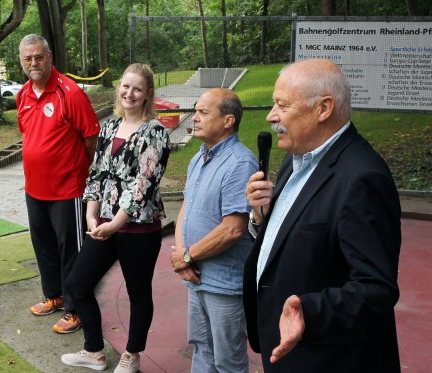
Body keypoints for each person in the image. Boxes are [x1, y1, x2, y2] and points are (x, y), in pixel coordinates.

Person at [243, 59, 402, 372]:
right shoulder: (296, 158)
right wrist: (260, 219)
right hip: (287, 350)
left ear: (323, 109)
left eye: (281, 105)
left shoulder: (362, 178)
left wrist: (309, 313)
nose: (271, 116)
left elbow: (377, 289)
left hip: (327, 359)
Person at [60, 63, 170, 373]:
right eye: (125, 86)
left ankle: (132, 355)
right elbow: (96, 172)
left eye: (137, 88)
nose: (129, 93)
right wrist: (91, 214)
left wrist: (115, 224)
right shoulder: (108, 126)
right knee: (77, 284)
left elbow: (143, 185)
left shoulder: (155, 132)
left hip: (138, 228)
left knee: (137, 292)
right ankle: (94, 350)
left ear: (148, 93)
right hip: (104, 223)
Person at [169, 88, 257, 373]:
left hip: (224, 285)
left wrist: (187, 257)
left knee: (227, 361)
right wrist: (183, 258)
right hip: (196, 277)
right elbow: (186, 208)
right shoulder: (199, 157)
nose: (194, 118)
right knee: (202, 349)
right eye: (196, 111)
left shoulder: (240, 163)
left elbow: (233, 229)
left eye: (203, 112)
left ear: (228, 121)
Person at [16, 34, 100, 334]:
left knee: (72, 251)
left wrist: (81, 170)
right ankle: (53, 295)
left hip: (68, 189)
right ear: (22, 62)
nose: (34, 63)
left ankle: (75, 308)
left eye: (39, 57)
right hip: (34, 188)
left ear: (49, 57)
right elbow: (30, 135)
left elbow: (91, 137)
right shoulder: (23, 94)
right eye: (28, 58)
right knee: (44, 246)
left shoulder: (71, 93)